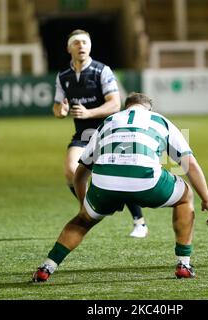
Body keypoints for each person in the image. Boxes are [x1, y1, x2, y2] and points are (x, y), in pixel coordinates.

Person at [32, 92, 208, 282]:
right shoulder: (160, 120)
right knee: (185, 197)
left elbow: (80, 174)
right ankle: (184, 264)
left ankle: (47, 267)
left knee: (82, 222)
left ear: (125, 108)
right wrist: (207, 200)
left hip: (104, 182)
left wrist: (84, 207)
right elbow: (190, 165)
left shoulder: (110, 121)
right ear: (149, 109)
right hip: (146, 181)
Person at [52, 29, 148, 238]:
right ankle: (88, 211)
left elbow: (114, 104)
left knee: (121, 177)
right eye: (76, 42)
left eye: (85, 42)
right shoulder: (63, 76)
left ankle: (139, 222)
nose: (81, 46)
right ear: (69, 48)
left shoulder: (101, 70)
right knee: (71, 170)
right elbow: (58, 107)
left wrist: (88, 112)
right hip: (83, 135)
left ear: (90, 46)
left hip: (108, 131)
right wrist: (62, 111)